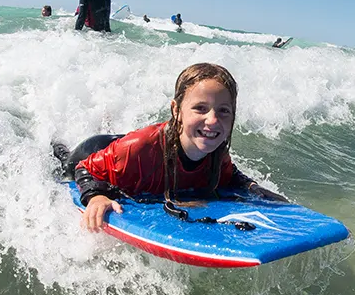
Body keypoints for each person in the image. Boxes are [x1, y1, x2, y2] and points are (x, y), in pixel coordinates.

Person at [61, 63, 287, 232]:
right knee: (61, 162)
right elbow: (85, 168)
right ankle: (56, 145)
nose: (213, 120)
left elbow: (231, 176)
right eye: (200, 108)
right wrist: (96, 196)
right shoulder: (141, 147)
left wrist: (254, 188)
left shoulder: (215, 152)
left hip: (125, 153)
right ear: (176, 110)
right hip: (94, 152)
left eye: (224, 111)